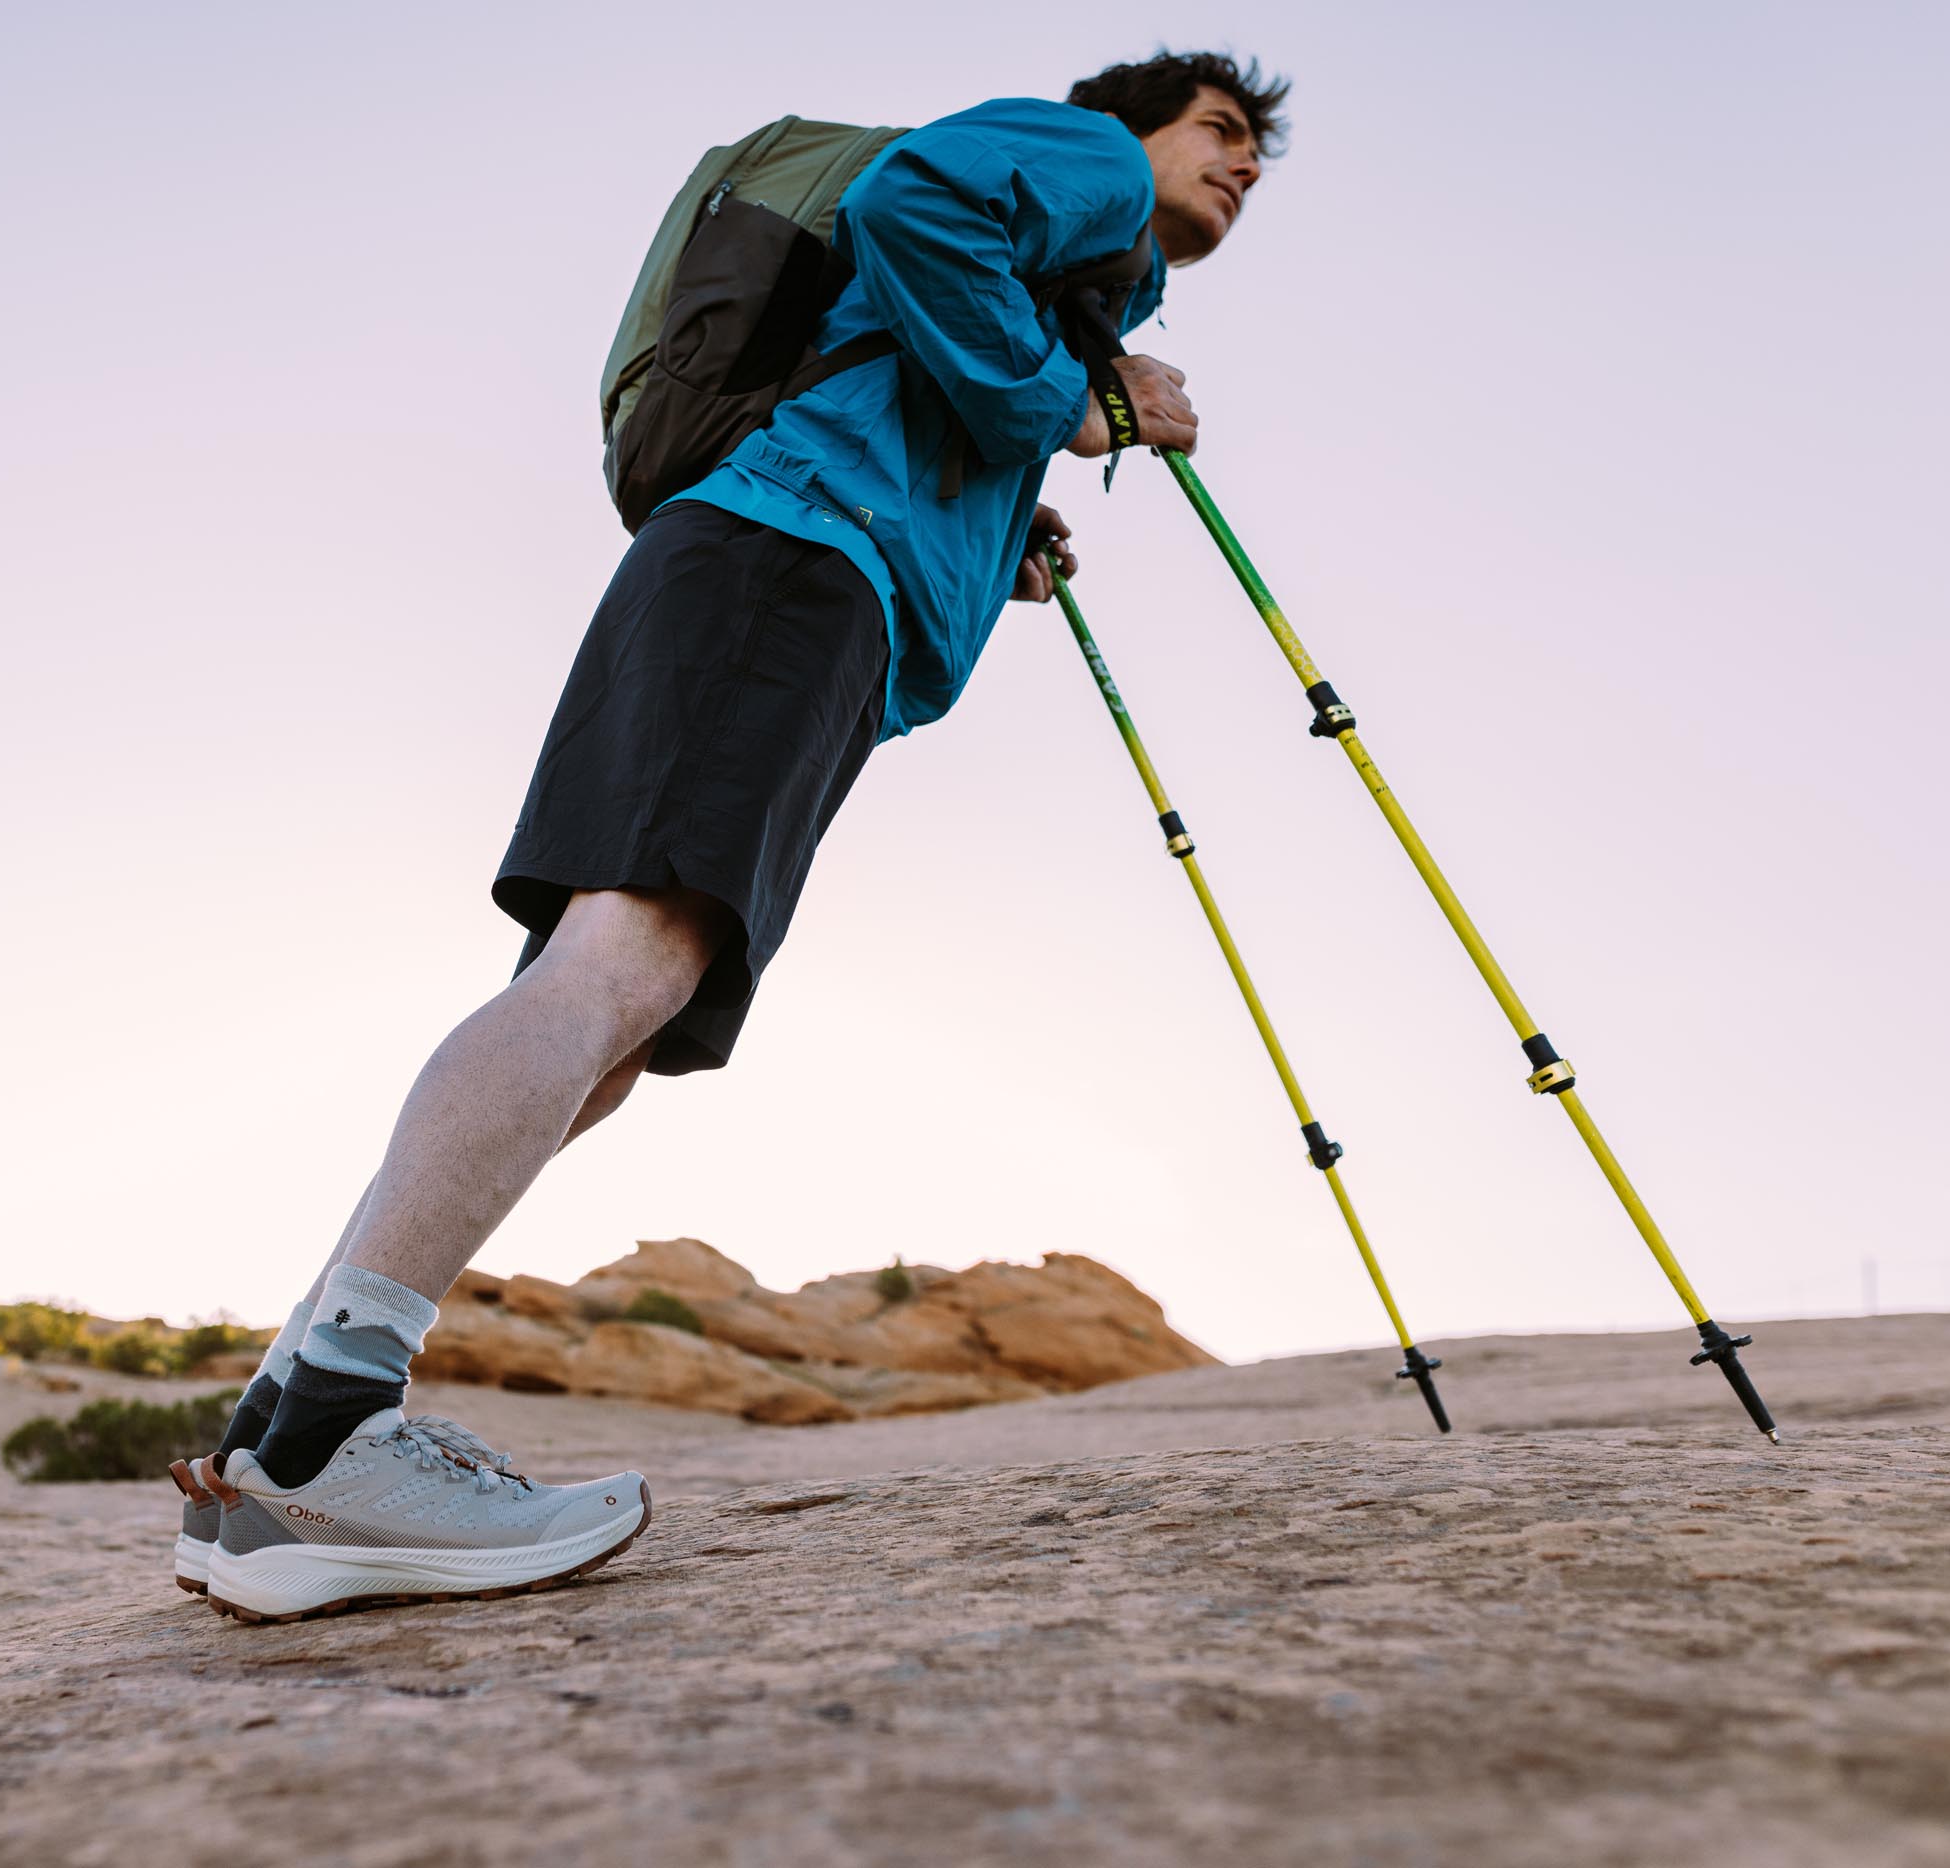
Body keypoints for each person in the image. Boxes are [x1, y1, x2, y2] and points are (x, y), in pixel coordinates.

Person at [180, 50, 1290, 1624]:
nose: (1244, 167)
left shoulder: (1080, 267)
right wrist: (1076, 402)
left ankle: (276, 1444)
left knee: (613, 1020)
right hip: (784, 567)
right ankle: (333, 1436)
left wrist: (1011, 509)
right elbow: (917, 203)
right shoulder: (1086, 164)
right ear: (1138, 128)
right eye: (1225, 132)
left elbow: (907, 358)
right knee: (619, 972)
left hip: (775, 569)